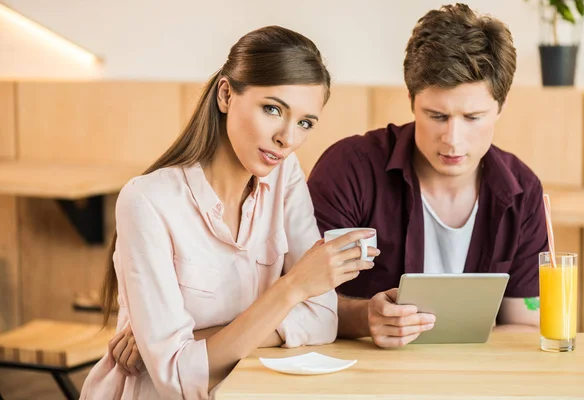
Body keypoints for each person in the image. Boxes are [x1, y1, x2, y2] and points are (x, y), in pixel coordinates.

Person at [80, 25, 377, 400]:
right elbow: (176, 378)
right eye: (273, 109)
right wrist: (293, 287)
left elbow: (323, 319)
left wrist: (194, 343)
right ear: (225, 94)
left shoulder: (285, 174)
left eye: (304, 123)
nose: (288, 138)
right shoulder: (148, 201)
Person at [308, 3, 547, 348]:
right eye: (436, 116)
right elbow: (298, 298)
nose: (452, 139)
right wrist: (365, 318)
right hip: (364, 377)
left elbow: (524, 327)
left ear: (501, 106)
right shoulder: (351, 169)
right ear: (411, 99)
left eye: (473, 117)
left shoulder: (522, 192)